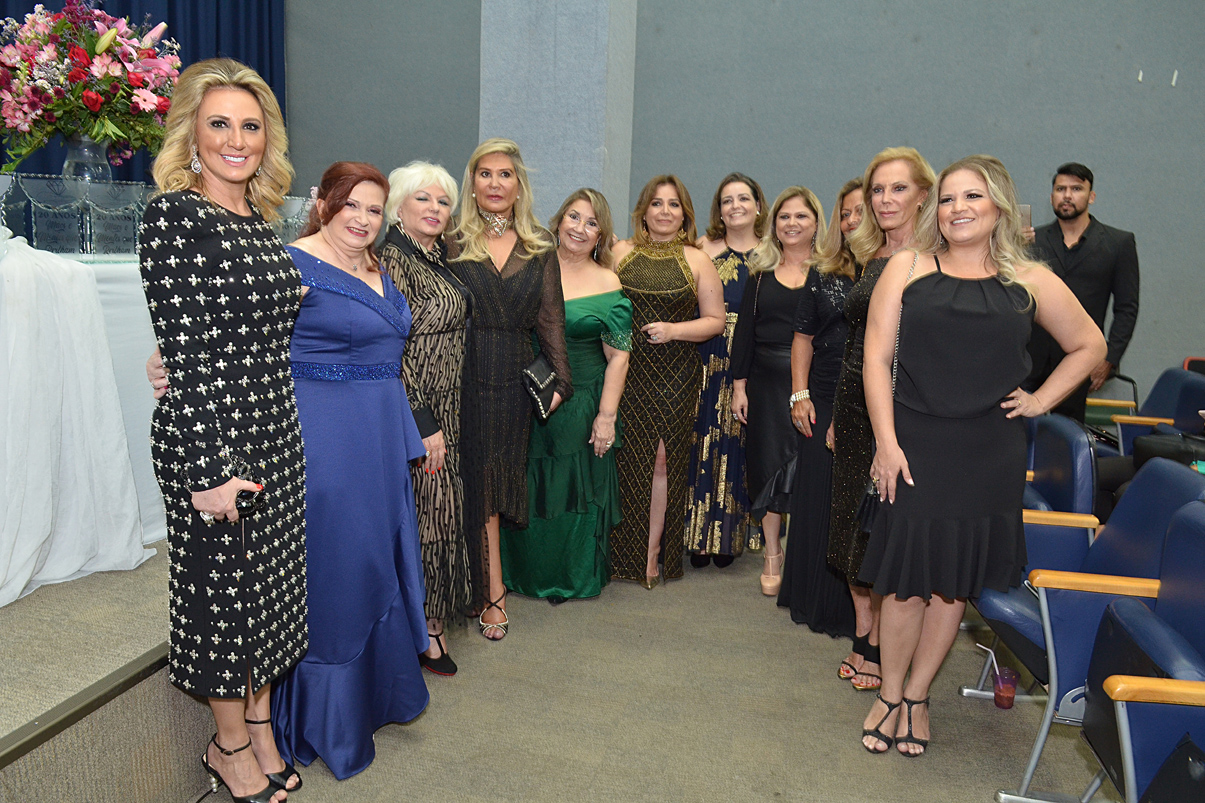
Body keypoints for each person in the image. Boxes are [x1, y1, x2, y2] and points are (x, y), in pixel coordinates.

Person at [858, 155, 1105, 756]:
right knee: (905, 582)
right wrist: (885, 443)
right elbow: (875, 358)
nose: (958, 208)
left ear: (999, 206)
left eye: (972, 196)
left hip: (989, 454)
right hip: (914, 447)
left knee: (953, 584)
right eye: (947, 198)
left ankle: (917, 696)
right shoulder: (907, 266)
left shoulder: (1030, 280)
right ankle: (888, 694)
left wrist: (1041, 399)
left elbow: (1090, 344)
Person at [139, 58, 303, 803]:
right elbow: (187, 349)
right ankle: (228, 743)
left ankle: (260, 725)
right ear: (191, 135)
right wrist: (206, 471)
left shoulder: (260, 223)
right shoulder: (173, 215)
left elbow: (249, 332)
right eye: (219, 124)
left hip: (273, 431)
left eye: (250, 125)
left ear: (267, 139)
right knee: (221, 603)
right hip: (213, 435)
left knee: (268, 596)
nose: (236, 140)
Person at [271, 162, 430, 779]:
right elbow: (239, 339)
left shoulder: (377, 269)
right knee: (339, 564)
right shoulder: (291, 264)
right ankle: (324, 716)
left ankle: (372, 699)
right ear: (324, 204)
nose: (362, 219)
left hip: (380, 440)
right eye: (350, 205)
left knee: (376, 556)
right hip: (326, 440)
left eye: (373, 209)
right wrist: (168, 362)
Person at [448, 138, 572, 638]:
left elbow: (551, 319)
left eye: (505, 175)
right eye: (485, 174)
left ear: (519, 186)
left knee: (497, 486)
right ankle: (489, 592)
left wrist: (561, 382)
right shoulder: (451, 240)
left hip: (514, 384)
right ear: (472, 183)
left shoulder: (539, 246)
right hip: (461, 375)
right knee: (471, 484)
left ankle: (484, 587)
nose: (495, 183)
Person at [830, 148, 935, 693]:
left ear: (923, 194)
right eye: (877, 190)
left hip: (895, 412)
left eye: (898, 188)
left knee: (880, 531)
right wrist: (836, 415)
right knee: (850, 528)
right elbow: (858, 342)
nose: (885, 199)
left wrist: (890, 431)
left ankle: (879, 648)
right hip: (852, 409)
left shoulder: (933, 260)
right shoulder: (873, 255)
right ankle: (864, 632)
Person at [501, 189, 633, 601]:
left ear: (601, 236)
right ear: (558, 221)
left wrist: (606, 417)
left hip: (581, 405)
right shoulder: (528, 266)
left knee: (572, 491)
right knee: (525, 483)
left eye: (592, 223)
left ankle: (571, 576)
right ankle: (520, 573)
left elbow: (618, 357)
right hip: (524, 396)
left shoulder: (608, 283)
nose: (580, 228)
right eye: (574, 217)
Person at [379, 161, 472, 676]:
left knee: (439, 514)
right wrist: (422, 420)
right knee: (430, 517)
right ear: (398, 206)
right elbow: (394, 346)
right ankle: (425, 632)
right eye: (423, 199)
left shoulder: (434, 256)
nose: (435, 209)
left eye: (443, 201)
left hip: (450, 404)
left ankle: (424, 624)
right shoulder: (393, 260)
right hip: (420, 409)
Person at [612, 176, 725, 587]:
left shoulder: (697, 259)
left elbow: (715, 321)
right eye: (657, 203)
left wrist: (675, 330)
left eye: (674, 204)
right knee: (623, 457)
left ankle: (651, 553)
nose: (664, 211)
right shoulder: (619, 253)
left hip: (675, 373)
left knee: (663, 461)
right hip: (624, 369)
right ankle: (616, 553)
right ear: (643, 211)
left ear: (685, 214)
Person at [777, 179, 861, 636]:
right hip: (822, 397)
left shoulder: (900, 268)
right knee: (815, 499)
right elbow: (803, 337)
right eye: (845, 213)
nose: (852, 221)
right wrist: (799, 393)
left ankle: (853, 614)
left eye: (860, 212)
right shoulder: (825, 270)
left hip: (870, 401)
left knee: (854, 507)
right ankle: (810, 598)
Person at [731, 186, 824, 595]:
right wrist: (739, 386)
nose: (792, 223)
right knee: (767, 470)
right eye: (784, 217)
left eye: (801, 216)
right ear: (774, 225)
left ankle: (804, 558)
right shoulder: (760, 274)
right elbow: (744, 334)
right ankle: (772, 553)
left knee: (809, 471)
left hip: (814, 384)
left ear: (816, 223)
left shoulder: (831, 273)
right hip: (765, 385)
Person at [689, 173, 768, 564]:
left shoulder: (772, 253)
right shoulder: (702, 249)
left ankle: (729, 536)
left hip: (751, 359)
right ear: (718, 210)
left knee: (740, 445)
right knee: (702, 441)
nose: (735, 206)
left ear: (758, 205)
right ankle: (697, 534)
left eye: (743, 198)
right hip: (706, 355)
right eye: (727, 200)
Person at [1023, 162, 1140, 421]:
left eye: (1076, 189)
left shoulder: (1118, 243)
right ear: (1051, 196)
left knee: (1067, 434)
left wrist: (1109, 358)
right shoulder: (1031, 241)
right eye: (1060, 189)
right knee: (1018, 431)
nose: (1067, 195)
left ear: (1091, 196)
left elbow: (1127, 308)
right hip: (1029, 359)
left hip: (1079, 360)